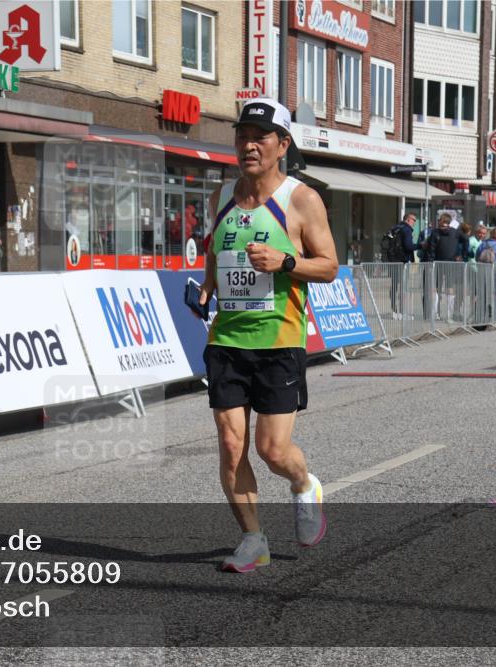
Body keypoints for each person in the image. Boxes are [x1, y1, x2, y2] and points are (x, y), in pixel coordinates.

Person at [197, 98, 338, 573]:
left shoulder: (301, 200)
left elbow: (330, 267)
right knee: (231, 443)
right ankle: (253, 539)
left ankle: (304, 485)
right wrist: (208, 289)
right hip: (227, 341)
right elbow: (215, 256)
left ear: (283, 144)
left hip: (279, 342)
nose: (249, 144)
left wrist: (286, 263)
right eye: (242, 135)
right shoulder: (220, 199)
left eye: (260, 136)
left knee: (272, 450)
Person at [388, 213, 417, 319]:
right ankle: (402, 311)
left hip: (393, 261)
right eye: (414, 220)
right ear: (408, 219)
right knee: (403, 287)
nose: (414, 222)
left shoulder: (395, 228)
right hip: (402, 262)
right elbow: (409, 246)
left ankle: (394, 310)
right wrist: (420, 245)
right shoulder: (407, 230)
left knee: (394, 285)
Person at [477, 227, 496, 322]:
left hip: (483, 270)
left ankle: (482, 315)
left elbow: (477, 256)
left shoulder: (483, 244)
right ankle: (494, 317)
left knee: (483, 293)